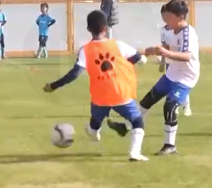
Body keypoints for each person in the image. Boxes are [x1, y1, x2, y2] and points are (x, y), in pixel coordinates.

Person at [43, 10, 149, 162]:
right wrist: (127, 64)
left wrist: (54, 86)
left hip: (100, 96)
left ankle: (93, 131)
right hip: (120, 92)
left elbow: (75, 73)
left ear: (88, 29)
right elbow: (139, 58)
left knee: (95, 123)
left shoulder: (85, 50)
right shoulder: (117, 45)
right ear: (106, 28)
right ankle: (134, 152)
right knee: (137, 121)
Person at [108, 0, 199, 156]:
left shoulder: (187, 33)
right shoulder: (172, 30)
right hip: (172, 73)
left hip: (186, 77)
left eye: (169, 16)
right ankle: (125, 127)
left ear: (180, 17)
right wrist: (152, 50)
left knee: (170, 106)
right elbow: (169, 47)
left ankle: (170, 145)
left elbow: (186, 56)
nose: (166, 19)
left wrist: (165, 53)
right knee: (148, 100)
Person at [158, 5, 191, 116]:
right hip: (169, 61)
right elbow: (164, 47)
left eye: (166, 15)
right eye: (163, 16)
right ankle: (174, 106)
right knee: (171, 85)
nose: (165, 18)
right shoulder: (163, 30)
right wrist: (162, 62)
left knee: (181, 83)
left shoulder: (178, 29)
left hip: (179, 60)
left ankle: (186, 105)